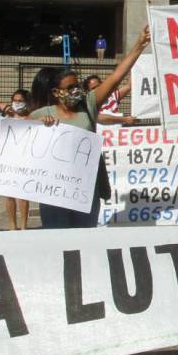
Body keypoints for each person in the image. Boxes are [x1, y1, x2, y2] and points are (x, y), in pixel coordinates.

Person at [30, 26, 151, 228]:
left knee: (84, 239)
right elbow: (11, 137)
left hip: (86, 190)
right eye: (70, 88)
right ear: (55, 92)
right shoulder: (41, 115)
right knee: (57, 241)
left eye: (77, 85)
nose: (76, 90)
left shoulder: (88, 105)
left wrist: (139, 44)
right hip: (53, 194)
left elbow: (115, 78)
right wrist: (36, 125)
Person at [0, 88, 31, 230]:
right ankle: (13, 225)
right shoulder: (4, 117)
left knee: (23, 193)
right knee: (9, 194)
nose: (17, 103)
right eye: (14, 100)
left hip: (23, 158)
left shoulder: (32, 117)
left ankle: (24, 225)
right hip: (6, 158)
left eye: (20, 101)